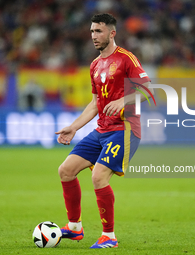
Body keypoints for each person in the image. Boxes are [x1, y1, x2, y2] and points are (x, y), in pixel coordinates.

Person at [55, 13, 151, 249]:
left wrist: (123, 101)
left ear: (112, 33)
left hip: (125, 130)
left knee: (98, 177)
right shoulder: (95, 65)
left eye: (98, 31)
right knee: (65, 170)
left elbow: (148, 91)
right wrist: (74, 127)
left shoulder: (127, 58)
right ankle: (74, 227)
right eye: (91, 31)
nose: (93, 36)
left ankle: (109, 236)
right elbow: (95, 103)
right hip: (101, 130)